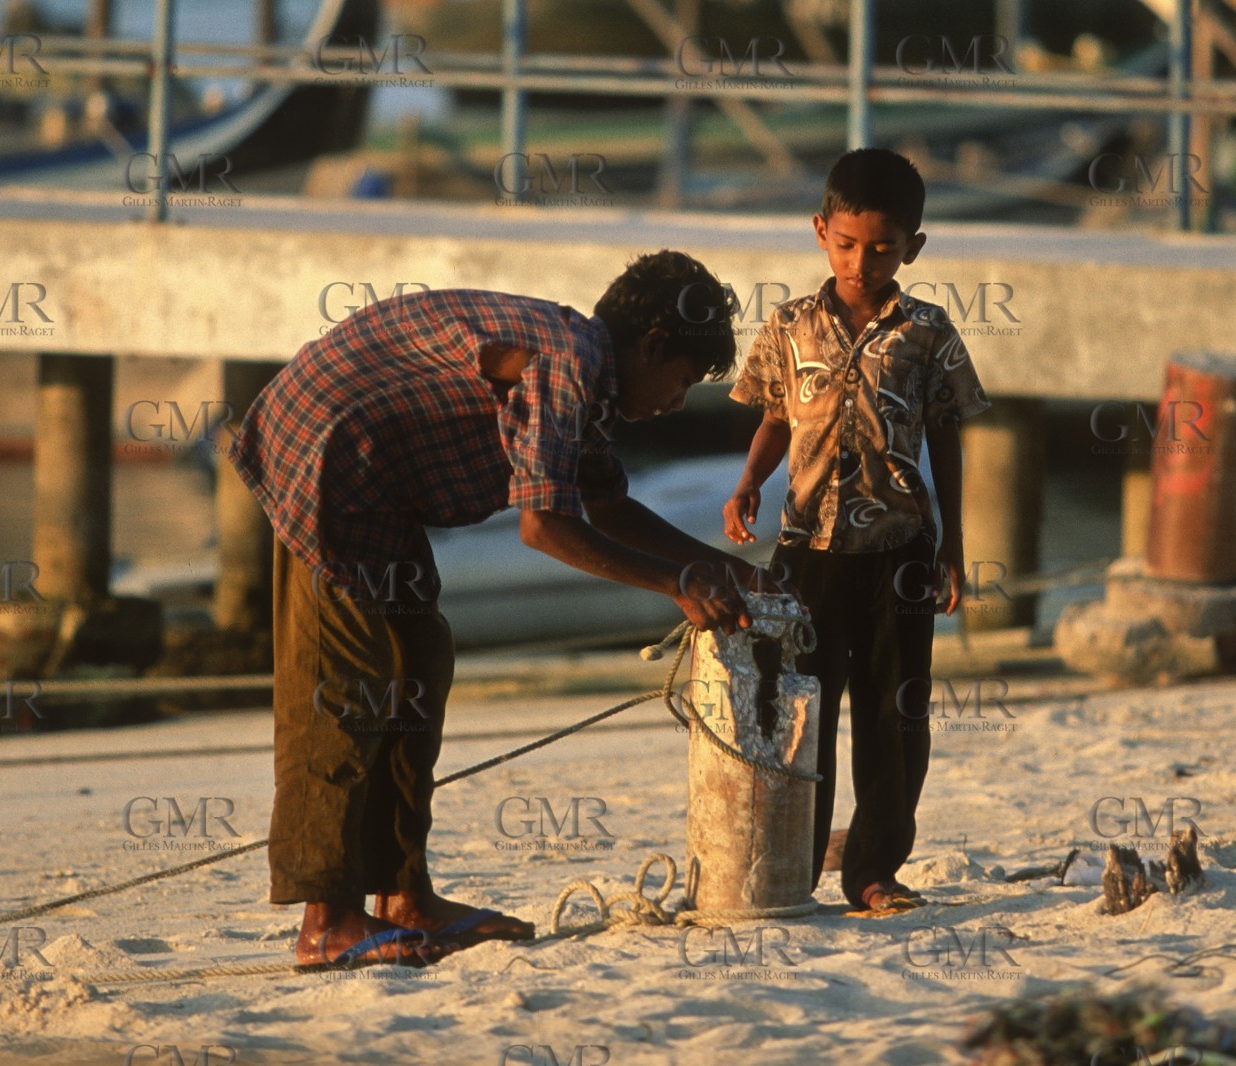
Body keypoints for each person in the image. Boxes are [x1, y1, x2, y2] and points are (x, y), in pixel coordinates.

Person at [229, 250, 765, 971]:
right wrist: (676, 587)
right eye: (680, 380)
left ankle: (404, 896)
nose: (676, 401)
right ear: (654, 346)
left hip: (385, 484)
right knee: (345, 688)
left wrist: (732, 573)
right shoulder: (568, 361)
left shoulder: (589, 384)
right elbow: (545, 527)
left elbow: (606, 505)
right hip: (329, 452)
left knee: (419, 664)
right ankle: (326, 921)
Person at [723, 149, 990, 913]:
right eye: (846, 244)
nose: (861, 262)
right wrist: (749, 481)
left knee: (895, 714)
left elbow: (947, 434)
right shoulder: (790, 326)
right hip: (807, 552)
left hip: (899, 551)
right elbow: (775, 412)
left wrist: (954, 546)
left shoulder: (928, 333)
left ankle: (874, 868)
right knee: (801, 708)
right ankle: (794, 864)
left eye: (881, 247)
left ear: (914, 246)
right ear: (819, 232)